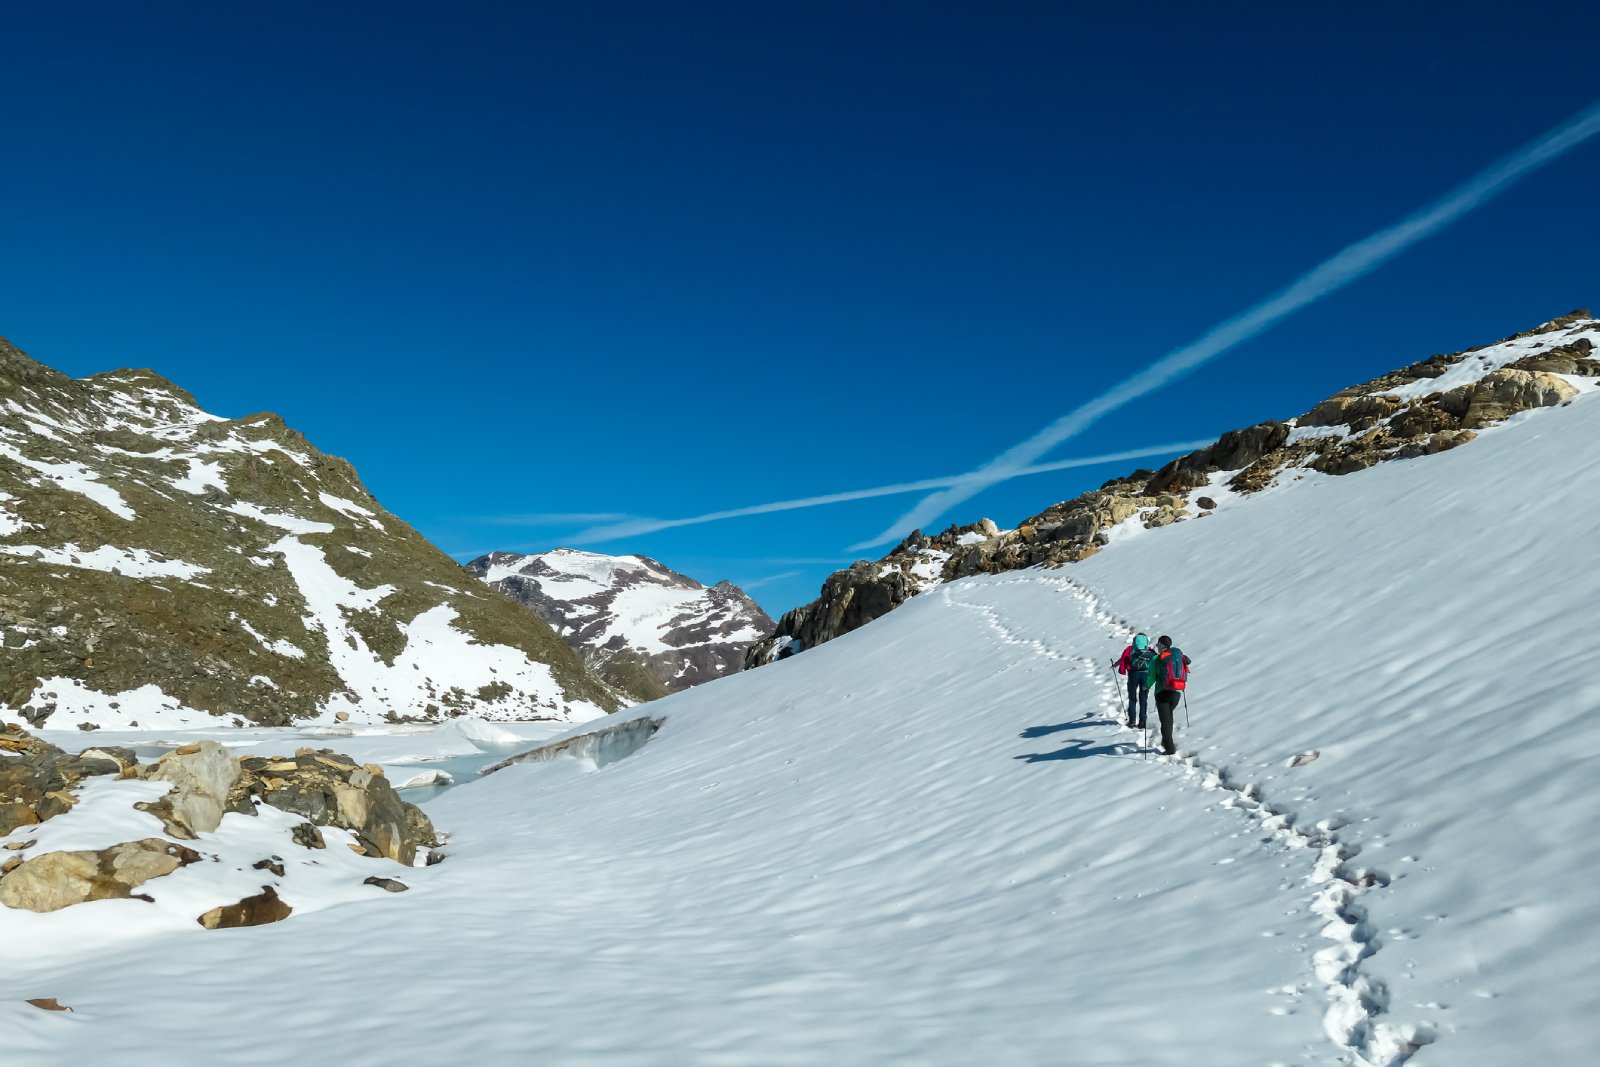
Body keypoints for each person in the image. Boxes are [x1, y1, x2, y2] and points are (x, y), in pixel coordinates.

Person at [1144, 635, 1192, 755]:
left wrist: (1146, 686)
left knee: (1166, 721)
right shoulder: (1178, 656)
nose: (1157, 648)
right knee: (1168, 718)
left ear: (1161, 645)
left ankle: (1169, 748)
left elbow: (1152, 677)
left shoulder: (1157, 658)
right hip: (1176, 693)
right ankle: (1166, 742)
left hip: (1162, 693)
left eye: (1158, 645)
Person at [1114, 633, 1154, 729]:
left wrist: (1117, 665)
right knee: (1143, 698)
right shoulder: (1149, 650)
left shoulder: (1130, 649)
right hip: (1146, 675)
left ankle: (1132, 721)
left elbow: (1123, 658)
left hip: (1133, 674)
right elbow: (1156, 661)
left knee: (1132, 698)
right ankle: (1142, 721)